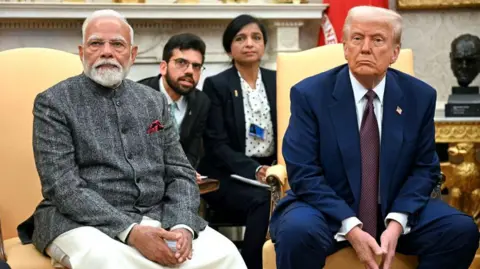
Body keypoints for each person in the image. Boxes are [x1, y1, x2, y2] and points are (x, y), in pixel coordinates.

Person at [19, 9, 246, 269]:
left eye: (117, 44)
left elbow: (180, 172)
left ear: (132, 54)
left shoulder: (153, 101)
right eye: (96, 43)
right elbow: (62, 187)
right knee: (111, 261)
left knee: (225, 254)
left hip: (156, 215)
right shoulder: (54, 103)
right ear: (82, 52)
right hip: (78, 222)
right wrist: (130, 231)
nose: (107, 51)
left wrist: (182, 225)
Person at [270, 6, 479, 269]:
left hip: (392, 209)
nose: (365, 48)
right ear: (345, 47)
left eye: (377, 40)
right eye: (357, 38)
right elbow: (303, 172)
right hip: (325, 210)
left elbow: (424, 169)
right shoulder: (310, 95)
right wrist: (351, 226)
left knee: (460, 230)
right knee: (297, 232)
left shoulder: (419, 96)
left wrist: (397, 222)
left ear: (394, 52)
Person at [197, 14, 276, 269]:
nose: (249, 43)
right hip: (227, 174)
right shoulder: (217, 85)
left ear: (264, 44)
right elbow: (216, 144)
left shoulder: (277, 80)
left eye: (256, 37)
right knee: (262, 201)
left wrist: (274, 168)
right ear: (229, 47)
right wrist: (254, 170)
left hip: (273, 169)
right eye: (240, 38)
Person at [138, 33, 210, 183]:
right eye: (181, 62)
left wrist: (185, 172)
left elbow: (192, 151)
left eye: (196, 66)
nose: (190, 71)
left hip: (178, 179)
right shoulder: (139, 95)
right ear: (163, 67)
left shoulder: (201, 102)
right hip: (142, 178)